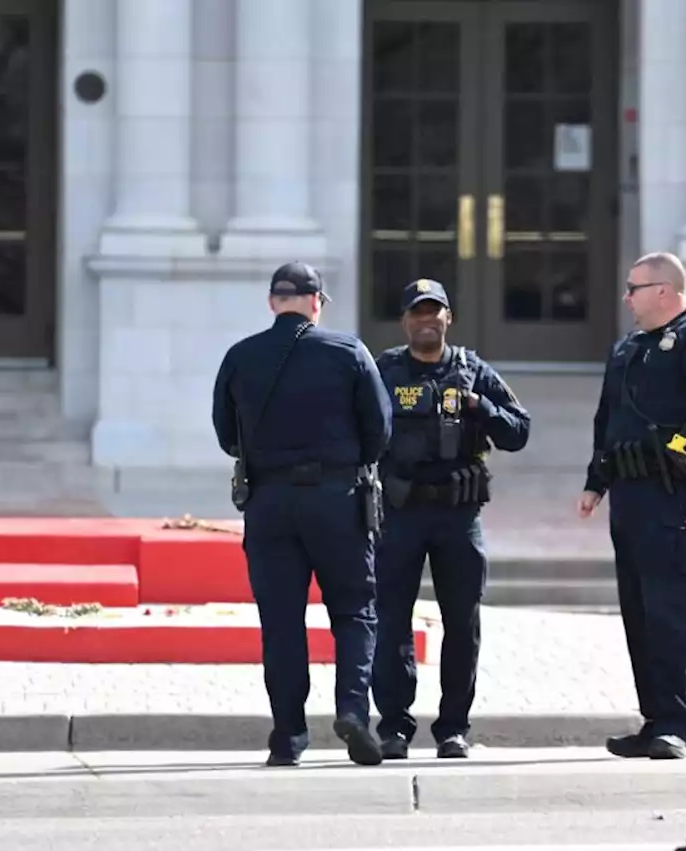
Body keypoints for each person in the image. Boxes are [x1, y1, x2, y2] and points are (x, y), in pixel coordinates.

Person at [212, 261, 393, 768]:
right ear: (317, 302)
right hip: (337, 500)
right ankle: (353, 711)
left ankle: (288, 737)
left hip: (269, 503)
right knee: (355, 611)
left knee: (281, 621)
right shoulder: (348, 352)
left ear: (273, 302)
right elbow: (379, 431)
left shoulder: (240, 356)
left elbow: (227, 434)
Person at [577, 251, 686, 760]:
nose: (626, 296)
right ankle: (653, 720)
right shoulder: (629, 349)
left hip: (676, 501)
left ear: (664, 292)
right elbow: (607, 422)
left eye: (634, 287)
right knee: (640, 614)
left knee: (672, 613)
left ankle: (676, 723)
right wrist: (595, 483)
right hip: (630, 500)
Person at [371, 278, 531, 759]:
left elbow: (519, 430)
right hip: (399, 514)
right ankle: (394, 727)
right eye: (417, 313)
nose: (425, 321)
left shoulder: (471, 370)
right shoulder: (383, 371)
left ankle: (453, 729)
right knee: (391, 621)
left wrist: (481, 407)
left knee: (462, 623)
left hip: (457, 516)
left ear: (448, 318)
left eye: (433, 312)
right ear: (404, 321)